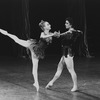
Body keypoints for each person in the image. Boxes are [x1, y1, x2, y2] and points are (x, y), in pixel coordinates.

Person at [0, 20, 58, 92]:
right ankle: (7, 33)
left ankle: (35, 82)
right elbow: (42, 37)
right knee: (17, 40)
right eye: (48, 24)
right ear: (44, 27)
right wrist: (53, 35)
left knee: (18, 40)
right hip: (35, 49)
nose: (49, 25)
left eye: (49, 24)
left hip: (38, 49)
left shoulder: (51, 33)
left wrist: (63, 33)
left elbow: (58, 35)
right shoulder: (43, 33)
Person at [45, 18, 82, 92]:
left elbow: (61, 35)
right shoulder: (72, 32)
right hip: (65, 53)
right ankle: (51, 82)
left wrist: (55, 34)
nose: (65, 24)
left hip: (68, 53)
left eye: (67, 23)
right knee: (59, 69)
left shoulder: (70, 32)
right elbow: (80, 32)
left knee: (71, 70)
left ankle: (75, 86)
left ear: (71, 24)